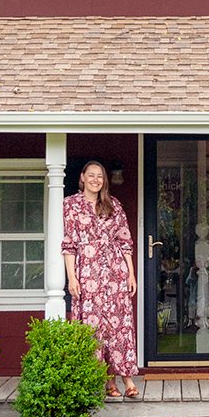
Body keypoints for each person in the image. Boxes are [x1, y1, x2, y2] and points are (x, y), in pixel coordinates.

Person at [61, 160, 139, 398]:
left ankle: (127, 381)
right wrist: (71, 278)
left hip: (115, 271)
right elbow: (68, 244)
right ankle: (107, 382)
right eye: (91, 175)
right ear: (82, 177)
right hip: (88, 272)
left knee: (119, 325)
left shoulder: (112, 204)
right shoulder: (71, 205)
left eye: (100, 177)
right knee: (95, 327)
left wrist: (131, 273)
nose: (96, 180)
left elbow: (125, 241)